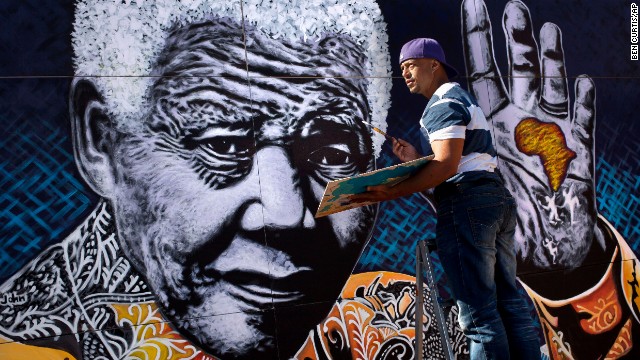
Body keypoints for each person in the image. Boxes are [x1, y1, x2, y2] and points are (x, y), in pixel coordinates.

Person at [0, 1, 392, 359]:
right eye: (222, 144)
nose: (286, 214)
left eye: (333, 156)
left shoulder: (396, 322)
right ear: (101, 141)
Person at [350, 37, 542, 359]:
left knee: (479, 315)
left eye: (411, 65)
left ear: (434, 64)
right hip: (492, 199)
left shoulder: (441, 104)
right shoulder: (461, 99)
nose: (406, 74)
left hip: (467, 205)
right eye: (401, 69)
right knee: (510, 304)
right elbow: (454, 164)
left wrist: (392, 191)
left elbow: (447, 166)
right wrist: (414, 159)